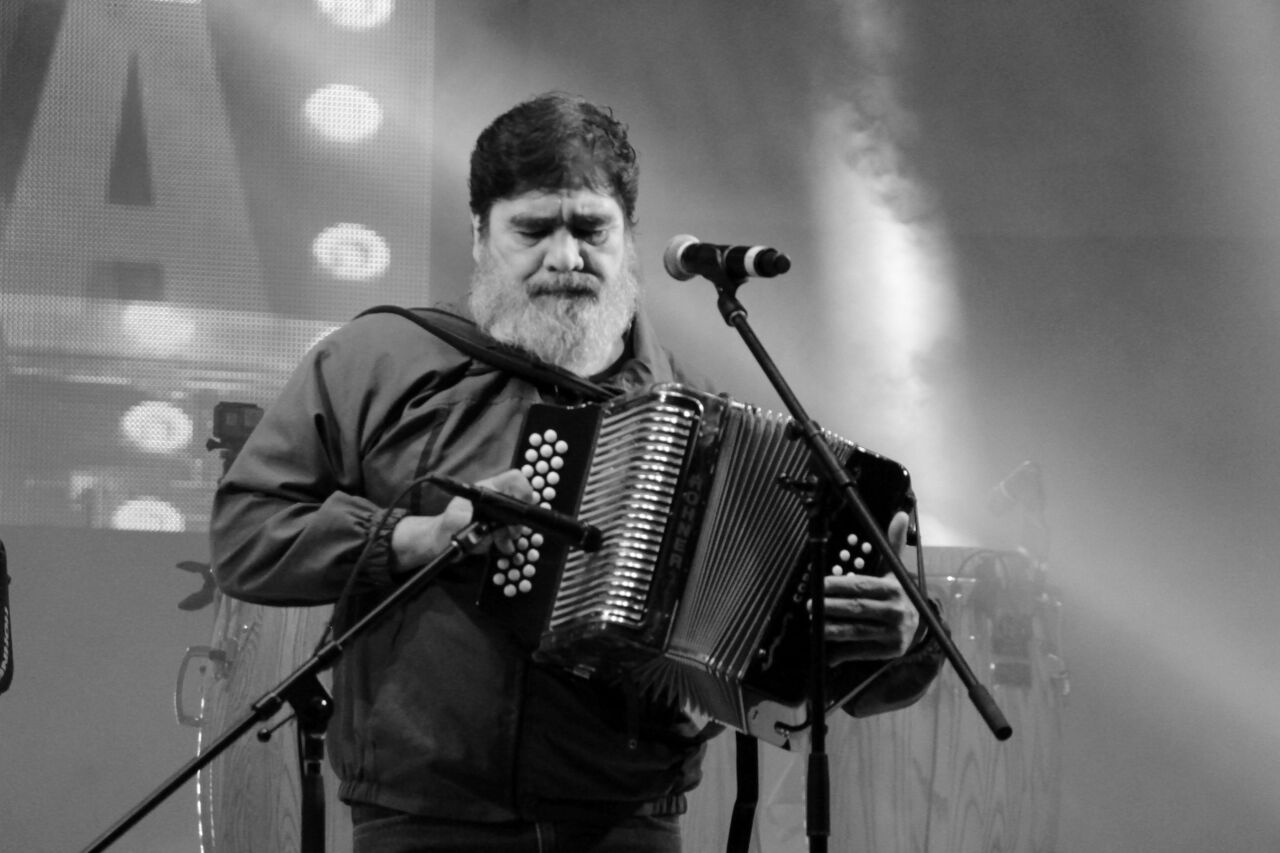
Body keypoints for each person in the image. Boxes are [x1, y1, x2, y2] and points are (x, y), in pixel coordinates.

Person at [211, 92, 942, 853]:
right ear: (479, 235)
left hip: (629, 825)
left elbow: (788, 653)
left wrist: (897, 637)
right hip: (423, 817)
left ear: (629, 238)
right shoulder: (380, 362)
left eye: (592, 229)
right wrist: (416, 537)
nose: (566, 257)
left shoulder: (703, 424)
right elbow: (245, 533)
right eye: (532, 230)